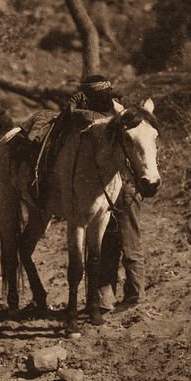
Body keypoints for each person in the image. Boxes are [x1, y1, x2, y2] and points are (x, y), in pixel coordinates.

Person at [67, 75, 145, 312]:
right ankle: (106, 297)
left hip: (125, 185)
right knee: (109, 242)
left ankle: (133, 295)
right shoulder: (112, 113)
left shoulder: (120, 116)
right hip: (108, 187)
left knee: (128, 240)